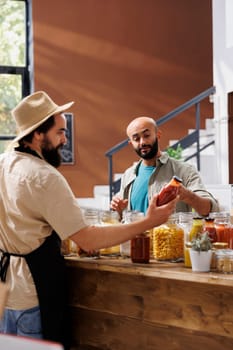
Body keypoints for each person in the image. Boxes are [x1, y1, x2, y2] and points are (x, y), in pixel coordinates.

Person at [0, 92, 177, 349]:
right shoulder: (44, 176)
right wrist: (148, 222)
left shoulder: (3, 162)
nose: (65, 138)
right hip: (32, 294)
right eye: (60, 132)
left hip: (6, 291)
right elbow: (87, 239)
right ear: (38, 134)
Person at [110, 116, 219, 217]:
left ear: (158, 135)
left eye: (147, 135)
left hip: (170, 237)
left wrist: (187, 195)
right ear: (131, 144)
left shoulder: (184, 170)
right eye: (136, 139)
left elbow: (210, 210)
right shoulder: (128, 176)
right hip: (138, 238)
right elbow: (123, 219)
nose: (142, 142)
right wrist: (119, 211)